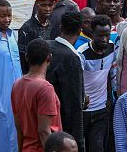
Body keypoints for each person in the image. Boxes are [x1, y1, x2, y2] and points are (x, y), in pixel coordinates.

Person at [11, 38, 61, 152]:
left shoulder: (17, 85)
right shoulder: (45, 88)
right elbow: (44, 131)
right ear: (49, 57)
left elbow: (18, 127)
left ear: (26, 57)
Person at [46, 12, 85, 150]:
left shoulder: (46, 46)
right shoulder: (71, 58)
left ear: (61, 27)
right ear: (80, 30)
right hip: (62, 130)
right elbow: (74, 105)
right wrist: (79, 144)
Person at [77, 14, 114, 151]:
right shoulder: (82, 54)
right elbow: (77, 79)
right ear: (92, 33)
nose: (104, 39)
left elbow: (110, 74)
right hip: (83, 111)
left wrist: (110, 96)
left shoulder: (111, 48)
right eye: (100, 35)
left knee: (97, 147)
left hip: (101, 109)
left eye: (107, 35)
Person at [0, 0, 22, 151]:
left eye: (9, 15)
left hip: (16, 96)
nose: (7, 20)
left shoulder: (12, 36)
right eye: (2, 16)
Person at [18, 0, 56, 73]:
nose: (47, 8)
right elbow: (22, 58)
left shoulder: (49, 25)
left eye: (50, 5)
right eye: (44, 5)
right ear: (37, 5)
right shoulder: (27, 28)